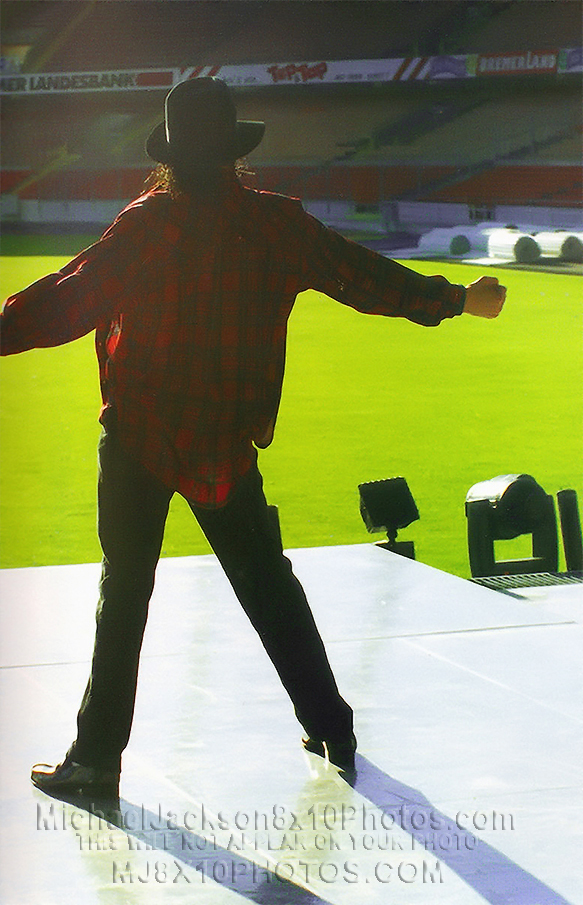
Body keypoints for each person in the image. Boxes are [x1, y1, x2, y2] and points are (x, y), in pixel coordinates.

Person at [0, 78, 505, 794]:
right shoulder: (276, 225)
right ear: (236, 153)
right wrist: (455, 298)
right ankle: (331, 724)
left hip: (141, 435)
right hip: (223, 443)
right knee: (267, 583)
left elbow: (67, 299)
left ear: (169, 159)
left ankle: (95, 759)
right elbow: (362, 277)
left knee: (126, 591)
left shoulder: (147, 225)